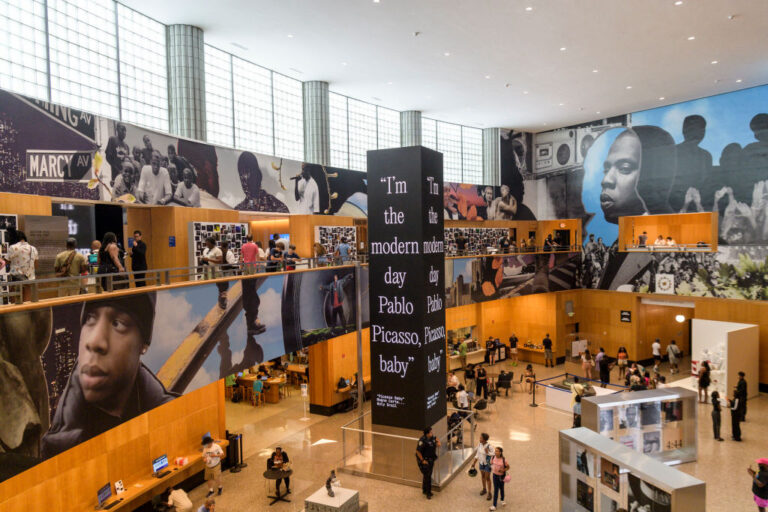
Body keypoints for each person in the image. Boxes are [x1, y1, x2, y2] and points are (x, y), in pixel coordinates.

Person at [41, 293, 177, 457]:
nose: (95, 341)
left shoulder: (172, 417)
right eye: (90, 318)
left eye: (117, 324)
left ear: (143, 344)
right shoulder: (57, 449)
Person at [4, 230, 39, 303]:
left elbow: (5, 262)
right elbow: (36, 265)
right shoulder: (33, 248)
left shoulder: (13, 248)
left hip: (16, 280)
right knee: (27, 303)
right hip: (30, 280)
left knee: (15, 303)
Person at [415, 427, 440, 499]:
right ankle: (428, 493)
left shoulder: (432, 438)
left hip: (431, 459)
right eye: (430, 432)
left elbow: (437, 441)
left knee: (427, 475)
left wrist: (438, 442)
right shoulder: (422, 440)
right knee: (428, 476)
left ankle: (424, 489)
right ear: (427, 434)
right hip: (425, 460)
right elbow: (418, 451)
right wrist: (422, 460)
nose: (432, 433)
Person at [471, 432, 493, 500]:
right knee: (483, 476)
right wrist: (474, 463)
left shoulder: (489, 446)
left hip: (487, 464)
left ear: (484, 439)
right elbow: (477, 454)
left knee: (487, 478)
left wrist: (487, 452)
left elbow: (493, 454)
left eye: (481, 438)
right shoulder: (480, 445)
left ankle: (489, 493)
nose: (479, 439)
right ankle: (484, 489)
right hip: (481, 463)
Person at [489, 446, 509, 510]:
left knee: (502, 488)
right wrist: (493, 468)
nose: (495, 452)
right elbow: (491, 464)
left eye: (497, 451)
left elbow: (508, 467)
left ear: (500, 452)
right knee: (496, 490)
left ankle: (502, 500)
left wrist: (503, 470)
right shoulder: (493, 457)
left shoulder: (503, 460)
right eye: (495, 451)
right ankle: (494, 505)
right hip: (495, 476)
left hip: (501, 476)